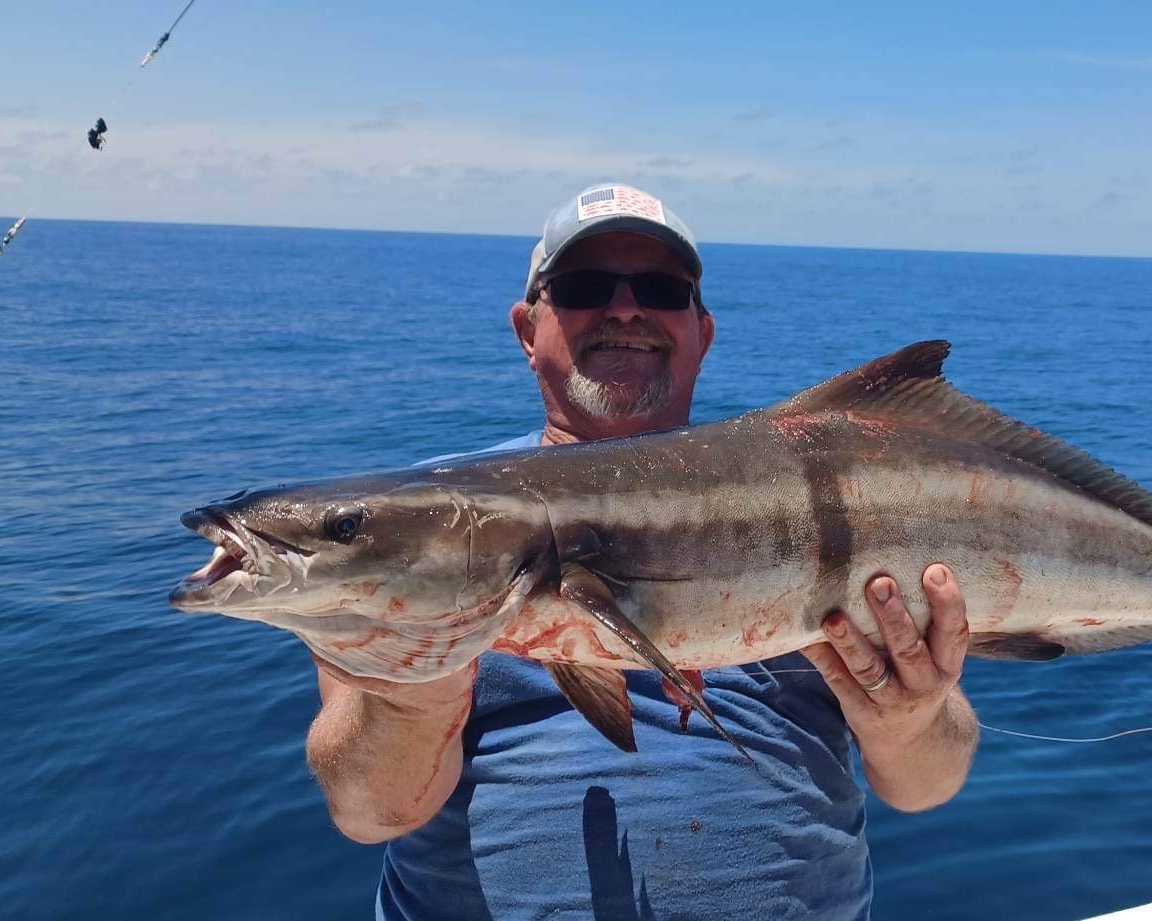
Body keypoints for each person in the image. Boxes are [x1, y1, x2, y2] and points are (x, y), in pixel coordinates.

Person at [305, 182, 980, 919]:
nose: (625, 308)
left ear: (703, 332)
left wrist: (910, 719)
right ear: (528, 329)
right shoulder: (428, 524)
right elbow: (367, 811)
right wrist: (411, 706)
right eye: (584, 286)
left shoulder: (826, 507)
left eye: (659, 288)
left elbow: (927, 785)